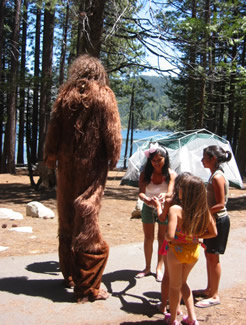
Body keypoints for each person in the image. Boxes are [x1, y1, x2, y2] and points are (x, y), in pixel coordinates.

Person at [43, 54, 122, 302]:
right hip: (92, 166)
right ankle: (87, 288)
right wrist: (114, 155)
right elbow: (112, 130)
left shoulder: (65, 95)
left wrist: (51, 155)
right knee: (87, 217)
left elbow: (53, 128)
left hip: (66, 167)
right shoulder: (104, 95)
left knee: (67, 218)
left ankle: (70, 275)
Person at [154, 173, 217, 325]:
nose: (177, 189)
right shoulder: (204, 211)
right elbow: (214, 232)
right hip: (193, 252)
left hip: (176, 252)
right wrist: (195, 235)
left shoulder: (175, 209)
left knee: (174, 287)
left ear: (185, 192)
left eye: (180, 188)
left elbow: (168, 236)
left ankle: (172, 319)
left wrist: (180, 237)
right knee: (183, 283)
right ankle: (192, 318)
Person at [194, 145, 232, 308]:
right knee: (209, 255)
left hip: (218, 221)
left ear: (213, 159)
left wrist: (202, 212)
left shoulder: (217, 177)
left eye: (205, 157)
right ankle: (209, 289)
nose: (202, 160)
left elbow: (221, 204)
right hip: (211, 220)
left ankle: (215, 295)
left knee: (213, 257)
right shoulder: (213, 175)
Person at [136, 142, 177, 282]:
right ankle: (147, 267)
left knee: (162, 238)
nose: (156, 163)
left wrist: (164, 196)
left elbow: (170, 193)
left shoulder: (171, 174)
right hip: (148, 207)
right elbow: (140, 193)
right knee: (148, 238)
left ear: (165, 159)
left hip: (164, 208)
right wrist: (147, 200)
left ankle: (159, 267)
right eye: (153, 160)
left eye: (159, 160)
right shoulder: (145, 174)